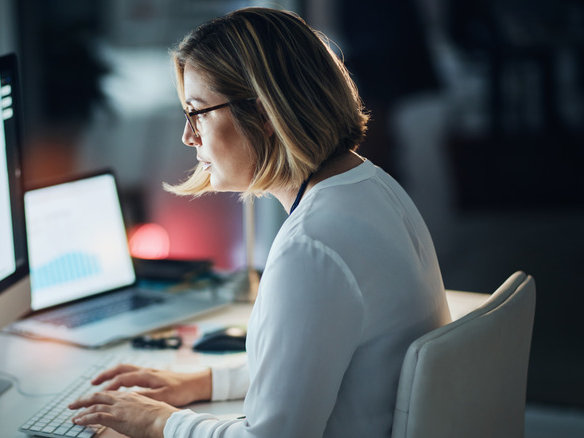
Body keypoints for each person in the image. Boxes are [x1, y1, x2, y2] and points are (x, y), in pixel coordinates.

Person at [69, 7, 451, 437]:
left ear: (265, 115)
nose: (188, 136)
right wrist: (202, 382)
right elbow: (319, 358)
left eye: (198, 112)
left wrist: (160, 422)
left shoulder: (311, 246)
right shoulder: (372, 186)